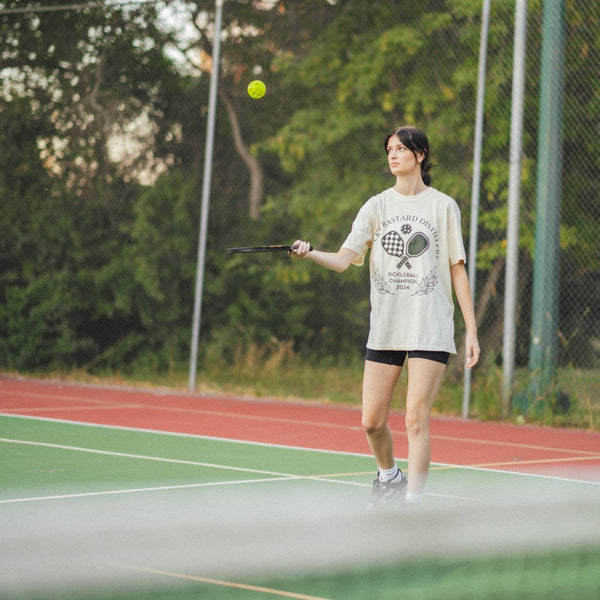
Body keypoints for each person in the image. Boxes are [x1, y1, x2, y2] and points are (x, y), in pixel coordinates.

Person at [292, 125, 480, 509]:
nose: (392, 155)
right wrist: (310, 253)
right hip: (387, 329)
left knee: (415, 419)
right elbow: (345, 260)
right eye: (389, 150)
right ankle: (390, 476)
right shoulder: (376, 206)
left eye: (400, 149)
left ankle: (413, 506)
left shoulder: (443, 206)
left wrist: (471, 330)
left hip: (429, 328)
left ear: (420, 155)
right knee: (372, 422)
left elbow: (457, 268)